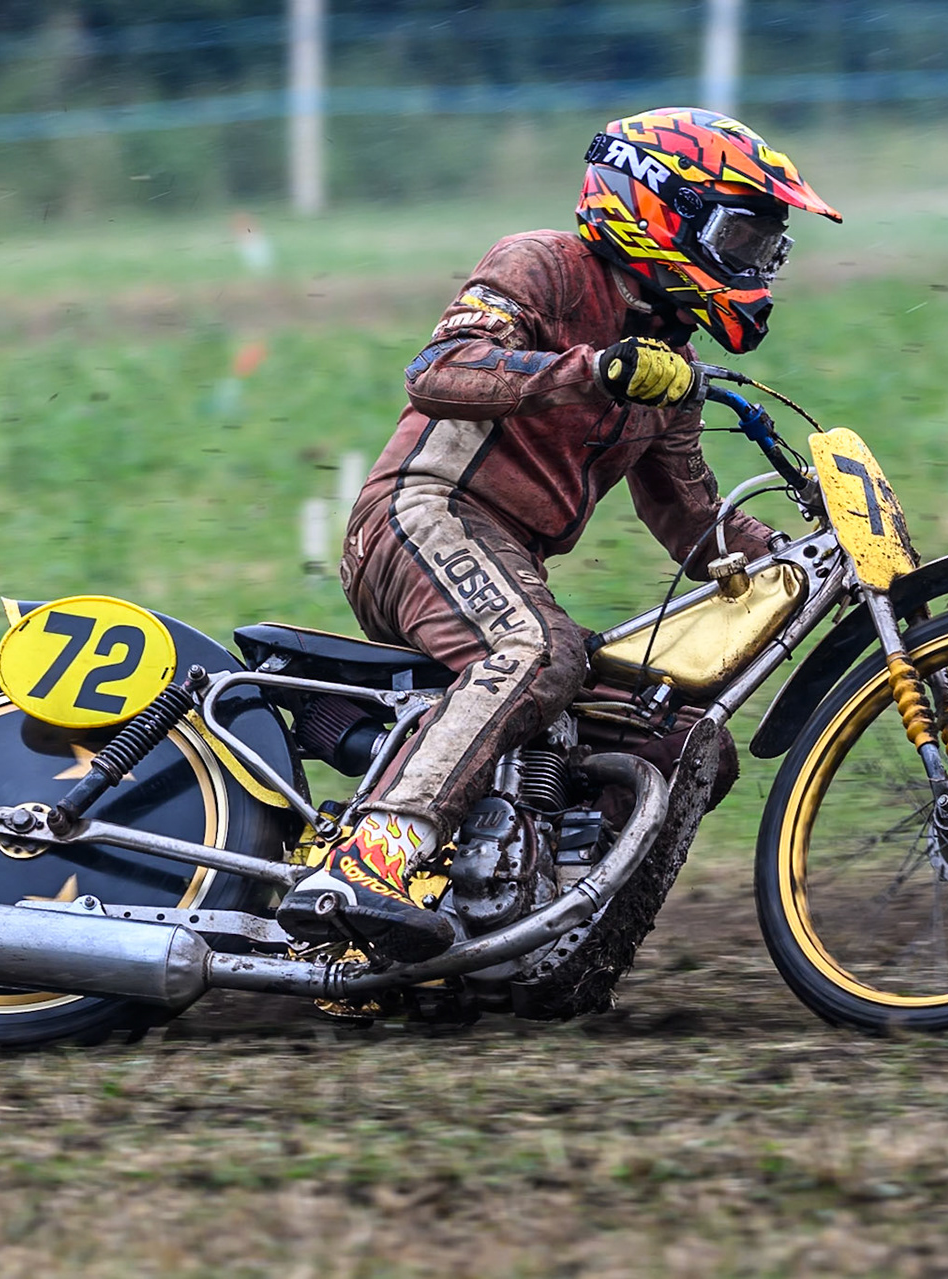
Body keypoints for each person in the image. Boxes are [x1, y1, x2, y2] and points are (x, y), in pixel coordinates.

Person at [276, 108, 841, 960]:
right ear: (657, 207)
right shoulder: (542, 265)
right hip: (419, 514)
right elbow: (440, 371)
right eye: (740, 235)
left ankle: (545, 943)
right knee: (539, 651)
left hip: (504, 557)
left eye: (769, 248)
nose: (754, 265)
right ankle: (370, 859)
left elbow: (689, 516)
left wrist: (795, 556)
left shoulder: (671, 362)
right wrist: (593, 369)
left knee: (685, 740)